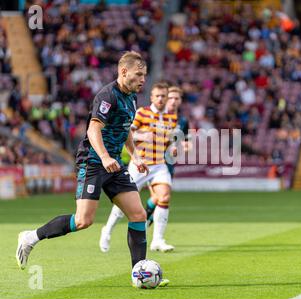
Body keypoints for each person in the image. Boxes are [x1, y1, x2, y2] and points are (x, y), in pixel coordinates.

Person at [16, 51, 152, 277]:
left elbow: (124, 127)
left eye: (144, 75)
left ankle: (140, 273)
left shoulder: (132, 97)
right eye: (139, 74)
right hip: (93, 161)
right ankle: (30, 237)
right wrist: (105, 157)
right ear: (124, 71)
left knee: (138, 214)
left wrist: (135, 156)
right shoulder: (107, 95)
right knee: (83, 221)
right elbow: (93, 128)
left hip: (114, 164)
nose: (143, 79)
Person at [100, 82, 178, 255]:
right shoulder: (142, 113)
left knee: (164, 196)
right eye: (157, 96)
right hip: (139, 164)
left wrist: (172, 147)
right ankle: (107, 230)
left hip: (159, 165)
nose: (160, 99)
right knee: (124, 203)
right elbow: (126, 132)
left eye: (163, 96)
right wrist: (143, 135)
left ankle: (158, 239)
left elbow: (170, 139)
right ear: (152, 97)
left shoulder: (171, 117)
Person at [145, 86, 189, 227]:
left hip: (169, 164)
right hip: (153, 162)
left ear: (180, 101)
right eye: (170, 98)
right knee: (159, 197)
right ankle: (144, 223)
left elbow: (186, 142)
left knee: (160, 198)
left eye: (176, 98)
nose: (173, 101)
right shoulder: (157, 117)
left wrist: (182, 147)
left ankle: (146, 223)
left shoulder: (182, 121)